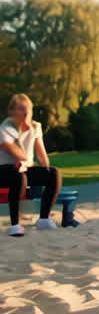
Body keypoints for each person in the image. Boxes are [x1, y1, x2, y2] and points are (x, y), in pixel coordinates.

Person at [1, 94, 63, 237]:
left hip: (24, 167)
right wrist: (26, 160)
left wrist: (46, 168)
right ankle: (15, 225)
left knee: (54, 173)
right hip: (5, 169)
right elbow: (17, 153)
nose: (26, 112)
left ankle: (44, 219)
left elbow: (41, 154)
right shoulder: (6, 127)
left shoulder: (36, 126)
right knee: (18, 175)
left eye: (28, 109)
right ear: (12, 112)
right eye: (22, 109)